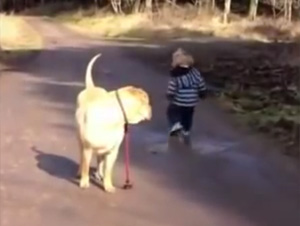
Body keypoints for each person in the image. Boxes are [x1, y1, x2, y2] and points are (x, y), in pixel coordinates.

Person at [166, 48, 207, 145]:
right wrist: (202, 92)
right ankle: (186, 130)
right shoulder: (195, 72)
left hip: (179, 100)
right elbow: (201, 83)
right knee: (188, 116)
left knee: (171, 111)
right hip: (192, 101)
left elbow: (173, 86)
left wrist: (170, 95)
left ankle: (176, 124)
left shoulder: (176, 75)